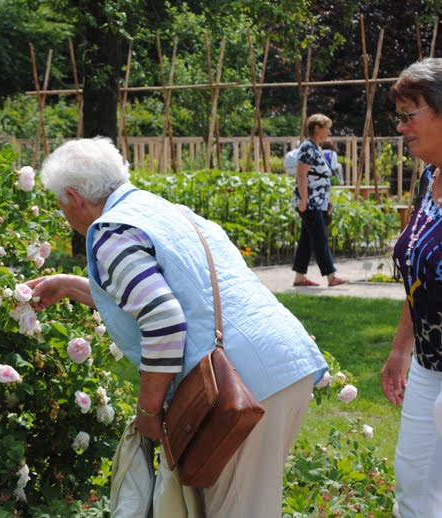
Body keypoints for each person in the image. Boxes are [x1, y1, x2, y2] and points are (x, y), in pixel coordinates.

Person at [26, 137, 328, 517]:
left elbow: (163, 320)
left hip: (238, 388)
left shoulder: (111, 230)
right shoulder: (163, 210)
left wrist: (149, 413)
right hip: (280, 367)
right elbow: (179, 293)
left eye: (61, 204)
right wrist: (69, 285)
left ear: (74, 196)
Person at [381, 57, 442, 518]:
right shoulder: (429, 178)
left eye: (410, 114)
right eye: (398, 116)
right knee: (413, 485)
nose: (401, 127)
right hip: (427, 363)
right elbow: (419, 277)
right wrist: (401, 348)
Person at [291, 113, 347, 287]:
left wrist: (327, 201)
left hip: (318, 202)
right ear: (317, 128)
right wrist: (304, 200)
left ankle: (299, 278)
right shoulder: (308, 147)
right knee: (320, 238)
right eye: (327, 128)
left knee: (307, 240)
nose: (329, 131)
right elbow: (301, 174)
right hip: (311, 203)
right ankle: (331, 277)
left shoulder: (316, 148)